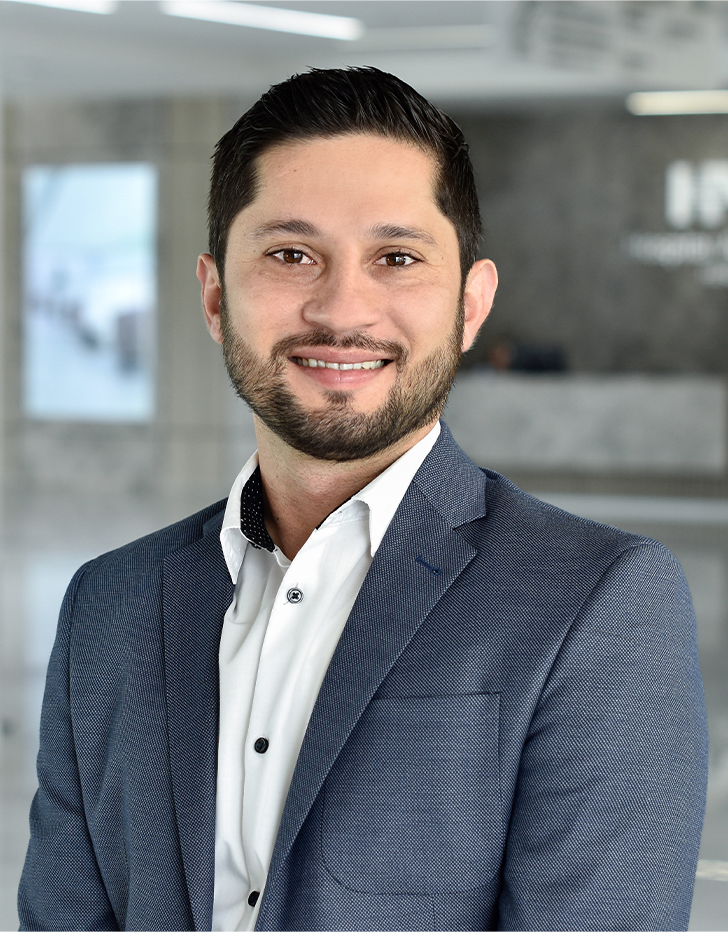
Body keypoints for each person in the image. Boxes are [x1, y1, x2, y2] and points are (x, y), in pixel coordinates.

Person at [19, 67, 707, 932]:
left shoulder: (600, 603)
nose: (342, 307)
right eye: (291, 254)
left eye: (397, 258)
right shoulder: (108, 606)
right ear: (215, 295)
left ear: (470, 303)